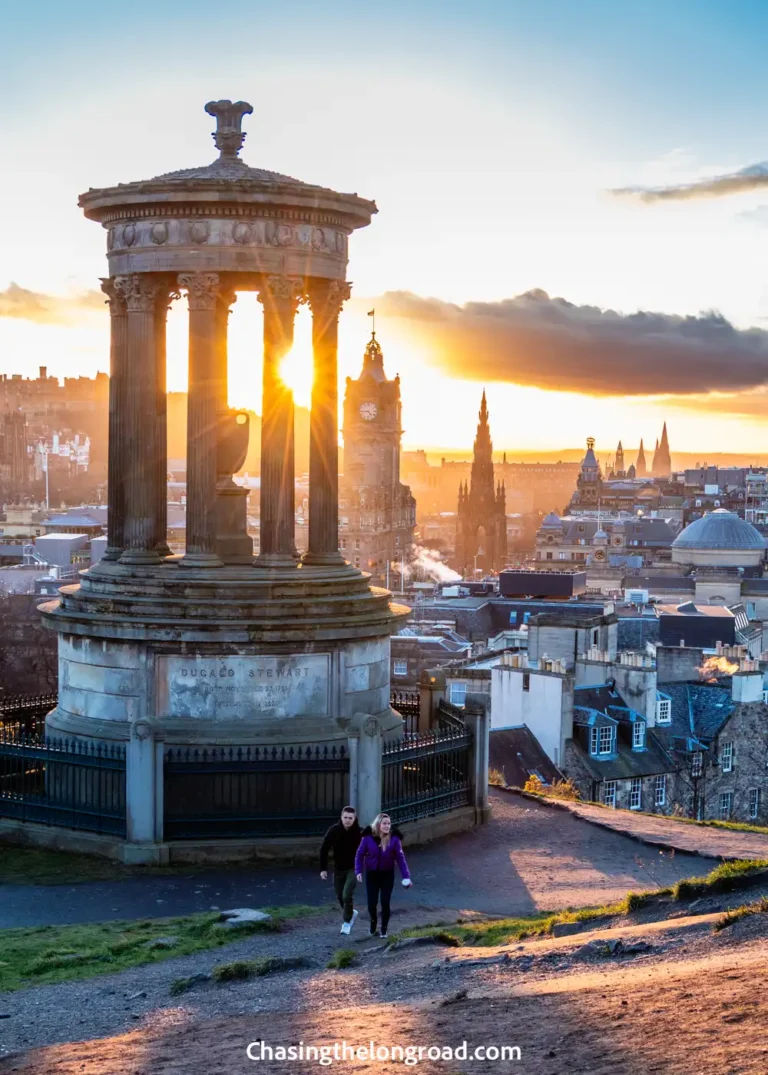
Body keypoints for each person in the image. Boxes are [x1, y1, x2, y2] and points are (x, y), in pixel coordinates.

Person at [355, 812, 412, 939]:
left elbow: (400, 858)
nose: (387, 826)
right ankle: (373, 923)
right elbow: (359, 854)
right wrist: (358, 871)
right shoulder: (368, 838)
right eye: (384, 823)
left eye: (389, 823)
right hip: (372, 875)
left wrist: (406, 876)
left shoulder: (394, 839)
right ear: (378, 824)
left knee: (385, 903)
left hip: (387, 875)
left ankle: (384, 929)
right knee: (372, 904)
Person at [320, 805, 362, 935]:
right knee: (340, 896)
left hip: (354, 868)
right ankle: (351, 912)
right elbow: (324, 849)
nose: (348, 820)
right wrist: (323, 869)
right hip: (338, 869)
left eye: (350, 818)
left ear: (354, 818)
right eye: (345, 818)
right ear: (341, 817)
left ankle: (346, 922)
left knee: (346, 894)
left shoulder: (360, 832)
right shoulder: (334, 830)